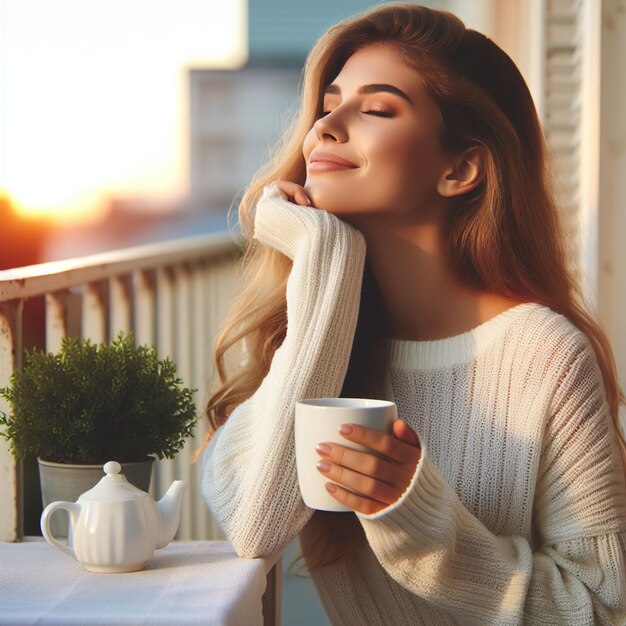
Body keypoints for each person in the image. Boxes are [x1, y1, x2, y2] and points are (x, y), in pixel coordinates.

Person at [199, 3, 626, 624]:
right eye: (328, 104)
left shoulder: (545, 356)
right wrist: (322, 259)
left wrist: (419, 521)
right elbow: (252, 523)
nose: (326, 127)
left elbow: (603, 607)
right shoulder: (325, 338)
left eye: (375, 108)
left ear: (461, 169)